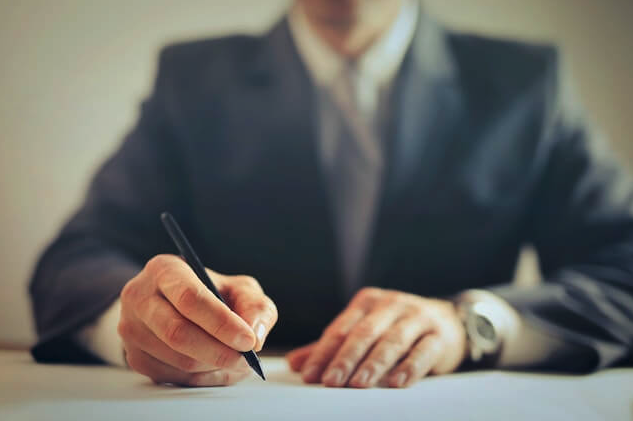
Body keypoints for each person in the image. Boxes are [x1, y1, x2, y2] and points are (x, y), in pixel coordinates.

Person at [30, 0, 633, 388]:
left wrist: (472, 325)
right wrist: (146, 323)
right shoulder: (193, 81)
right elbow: (72, 264)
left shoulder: (525, 84)